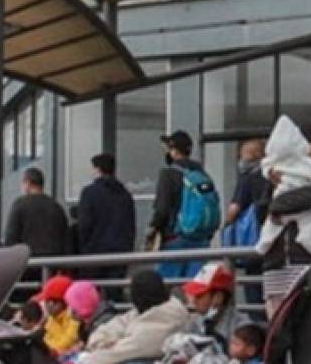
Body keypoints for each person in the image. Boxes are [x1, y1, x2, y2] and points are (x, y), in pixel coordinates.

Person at [261, 123, 311, 316]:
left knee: (309, 320)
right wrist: (273, 187)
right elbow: (261, 208)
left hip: (310, 261)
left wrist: (278, 205)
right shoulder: (276, 173)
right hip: (276, 262)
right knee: (278, 324)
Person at [148, 130, 218, 280]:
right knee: (195, 285)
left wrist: (153, 230)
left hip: (175, 237)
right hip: (200, 237)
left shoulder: (168, 174)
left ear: (173, 151)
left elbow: (162, 208)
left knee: (164, 285)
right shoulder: (202, 173)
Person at [256, 116, 311, 257]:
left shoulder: (273, 166)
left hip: (281, 197)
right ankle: (306, 238)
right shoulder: (306, 165)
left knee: (273, 224)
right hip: (279, 256)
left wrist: (276, 207)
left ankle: (265, 242)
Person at [223, 138, 268, 314]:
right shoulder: (273, 175)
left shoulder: (248, 177)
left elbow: (235, 208)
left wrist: (226, 225)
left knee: (253, 292)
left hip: (253, 243)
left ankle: (257, 330)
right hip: (273, 242)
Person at [78, 154, 136, 285]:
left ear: (97, 169)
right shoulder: (125, 195)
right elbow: (131, 226)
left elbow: (84, 226)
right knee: (114, 290)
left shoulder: (90, 193)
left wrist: (84, 248)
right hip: (120, 253)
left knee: (94, 293)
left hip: (95, 253)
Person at [4, 167, 70, 256]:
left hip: (29, 262)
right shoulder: (56, 206)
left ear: (28, 183)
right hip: (53, 262)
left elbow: (11, 237)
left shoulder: (20, 204)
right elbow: (66, 238)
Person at [183, 262, 250, 347]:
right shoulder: (195, 322)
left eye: (199, 295)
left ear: (218, 297)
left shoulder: (241, 327)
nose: (194, 300)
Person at [34, 275, 81, 356]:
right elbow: (46, 340)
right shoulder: (51, 318)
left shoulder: (74, 318)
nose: (48, 305)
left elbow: (67, 342)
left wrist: (50, 349)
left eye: (54, 301)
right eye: (47, 300)